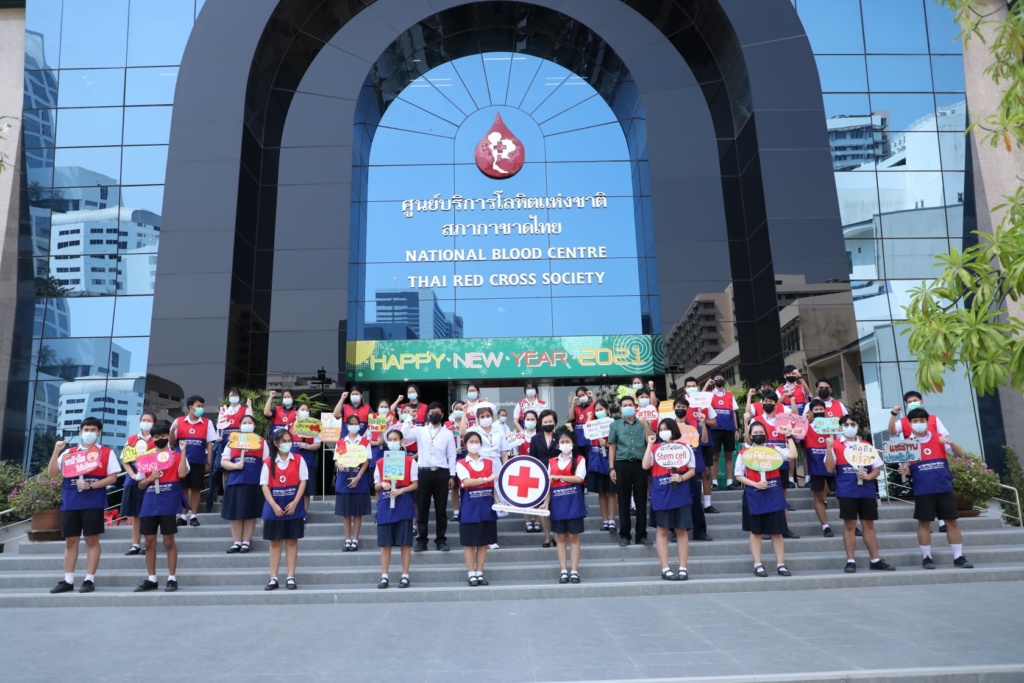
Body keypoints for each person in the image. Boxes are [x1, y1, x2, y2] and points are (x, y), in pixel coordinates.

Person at [47, 417, 122, 594]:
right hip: (71, 501)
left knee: (91, 539)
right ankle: (68, 580)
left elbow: (113, 477)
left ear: (99, 432)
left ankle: (89, 579)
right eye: (86, 429)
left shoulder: (106, 452)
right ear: (80, 431)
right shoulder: (70, 452)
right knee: (70, 540)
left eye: (93, 430)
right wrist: (56, 451)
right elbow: (52, 473)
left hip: (93, 502)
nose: (89, 433)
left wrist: (91, 485)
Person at [899, 408, 974, 570]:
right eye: (915, 421)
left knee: (951, 522)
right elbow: (905, 468)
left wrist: (951, 443)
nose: (919, 423)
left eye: (922, 420)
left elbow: (959, 454)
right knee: (924, 523)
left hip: (943, 487)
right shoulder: (906, 445)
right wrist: (904, 470)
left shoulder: (939, 438)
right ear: (910, 424)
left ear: (927, 422)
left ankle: (958, 556)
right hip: (923, 489)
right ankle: (927, 557)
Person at [825, 416, 896, 573]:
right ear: (841, 427)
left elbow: (877, 468)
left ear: (857, 426)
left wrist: (869, 476)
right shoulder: (835, 445)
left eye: (853, 424)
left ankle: (875, 560)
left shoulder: (866, 445)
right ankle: (850, 560)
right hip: (847, 491)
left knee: (869, 525)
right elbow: (829, 469)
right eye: (846, 424)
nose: (849, 427)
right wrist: (829, 448)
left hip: (866, 491)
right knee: (850, 524)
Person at [735, 421, 798, 577]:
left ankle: (781, 565)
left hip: (773, 494)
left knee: (777, 531)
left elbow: (793, 455)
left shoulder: (773, 450)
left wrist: (789, 436)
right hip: (753, 495)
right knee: (756, 531)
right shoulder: (744, 453)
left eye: (761, 433)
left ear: (766, 434)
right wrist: (755, 483)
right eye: (755, 433)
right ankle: (758, 565)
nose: (758, 435)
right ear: (750, 436)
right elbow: (738, 475)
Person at [134, 422, 189, 592]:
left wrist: (183, 451)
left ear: (168, 436)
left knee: (168, 540)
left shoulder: (176, 456)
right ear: (152, 438)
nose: (160, 439)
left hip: (168, 501)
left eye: (163, 435)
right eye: (156, 436)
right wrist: (150, 478)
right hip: (150, 502)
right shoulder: (146, 459)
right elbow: (140, 485)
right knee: (149, 541)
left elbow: (182, 474)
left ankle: (172, 578)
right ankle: (152, 578)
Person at [643, 419, 696, 581]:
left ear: (674, 430)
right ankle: (665, 568)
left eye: (666, 428)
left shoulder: (685, 447)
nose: (663, 431)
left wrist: (681, 478)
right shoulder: (655, 448)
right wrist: (649, 444)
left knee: (681, 530)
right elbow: (645, 465)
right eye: (661, 429)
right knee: (662, 530)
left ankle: (683, 568)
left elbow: (692, 470)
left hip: (680, 492)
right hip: (661, 493)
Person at [401, 402, 457, 553]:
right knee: (422, 508)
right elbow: (404, 434)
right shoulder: (421, 431)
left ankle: (441, 540)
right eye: (431, 413)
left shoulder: (448, 433)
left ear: (442, 415)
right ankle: (422, 541)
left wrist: (452, 475)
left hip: (441, 472)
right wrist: (409, 418)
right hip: (423, 473)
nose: (434, 415)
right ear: (427, 415)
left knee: (441, 509)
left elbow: (452, 455)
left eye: (437, 412)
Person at [261, 430, 308, 590]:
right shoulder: (268, 462)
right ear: (276, 443)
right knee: (274, 542)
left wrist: (295, 502)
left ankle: (290, 577)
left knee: (291, 541)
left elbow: (303, 481)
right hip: (274, 507)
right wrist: (274, 505)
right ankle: (273, 578)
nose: (287, 444)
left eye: (289, 440)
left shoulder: (299, 459)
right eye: (283, 441)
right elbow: (264, 485)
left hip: (293, 507)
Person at [375, 428, 419, 589]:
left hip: (404, 502)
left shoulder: (410, 461)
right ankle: (384, 576)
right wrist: (382, 484)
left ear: (401, 442)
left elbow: (415, 484)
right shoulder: (380, 462)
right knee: (385, 543)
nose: (393, 442)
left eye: (396, 439)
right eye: (390, 440)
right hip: (386, 504)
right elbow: (376, 485)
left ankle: (405, 575)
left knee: (405, 543)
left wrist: (402, 490)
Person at [746, 391, 799, 521]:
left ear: (776, 405)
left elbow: (794, 433)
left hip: (781, 461)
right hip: (762, 463)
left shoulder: (784, 419)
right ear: (761, 404)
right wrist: (745, 423)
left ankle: (784, 526)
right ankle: (767, 526)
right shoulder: (756, 420)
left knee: (782, 495)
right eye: (765, 401)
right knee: (764, 493)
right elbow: (748, 441)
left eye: (770, 402)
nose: (768, 404)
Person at [220, 414, 269, 554]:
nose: (247, 425)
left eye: (250, 422)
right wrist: (234, 466)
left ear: (254, 425)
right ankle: (236, 542)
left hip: (253, 481)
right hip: (235, 481)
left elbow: (267, 462)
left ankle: (246, 542)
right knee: (235, 512)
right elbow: (224, 461)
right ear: (240, 425)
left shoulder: (261, 442)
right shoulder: (232, 441)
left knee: (250, 512)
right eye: (244, 423)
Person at [462, 403, 509, 549]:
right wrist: (464, 414)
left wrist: (505, 470)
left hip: (497, 465)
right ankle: (483, 537)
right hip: (481, 465)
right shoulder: (474, 430)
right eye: (482, 416)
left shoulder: (499, 431)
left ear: (492, 417)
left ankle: (491, 537)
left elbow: (504, 453)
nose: (485, 418)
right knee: (485, 497)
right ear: (477, 418)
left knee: (497, 500)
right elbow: (463, 433)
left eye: (488, 416)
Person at [608, 396, 652, 547]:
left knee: (641, 500)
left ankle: (641, 535)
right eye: (624, 405)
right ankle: (625, 535)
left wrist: (645, 424)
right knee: (623, 501)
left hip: (640, 464)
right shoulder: (615, 425)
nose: (627, 407)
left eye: (630, 405)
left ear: (635, 407)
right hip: (621, 464)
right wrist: (611, 468)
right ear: (620, 408)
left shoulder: (643, 422)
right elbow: (612, 446)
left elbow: (651, 439)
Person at [457, 431, 499, 586]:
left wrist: (497, 500)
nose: (474, 444)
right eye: (471, 442)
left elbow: (492, 486)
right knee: (469, 542)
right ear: (465, 444)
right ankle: (471, 573)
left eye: (477, 442)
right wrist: (485, 479)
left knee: (483, 542)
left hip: (486, 506)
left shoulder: (488, 462)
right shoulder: (461, 463)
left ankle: (480, 572)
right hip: (470, 506)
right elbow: (466, 482)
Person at [547, 429, 587, 584]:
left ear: (573, 443)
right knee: (560, 537)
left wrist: (559, 477)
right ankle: (563, 570)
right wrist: (545, 503)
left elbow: (579, 478)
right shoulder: (551, 462)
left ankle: (574, 570)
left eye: (567, 441)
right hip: (557, 503)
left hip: (574, 503)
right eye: (562, 442)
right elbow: (548, 484)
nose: (565, 444)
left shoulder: (580, 459)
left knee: (574, 536)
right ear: (557, 444)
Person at [170, 395, 217, 527]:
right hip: (182, 462)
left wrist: (208, 462)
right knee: (183, 488)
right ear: (190, 407)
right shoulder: (179, 421)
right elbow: (172, 442)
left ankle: (194, 516)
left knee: (196, 489)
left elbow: (209, 444)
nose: (201, 408)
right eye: (198, 406)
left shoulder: (207, 423)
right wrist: (172, 430)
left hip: (198, 461)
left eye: (202, 406)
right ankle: (182, 516)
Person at [674, 395, 711, 541]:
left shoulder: (694, 424)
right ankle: (676, 531)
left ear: (688, 409)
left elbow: (705, 440)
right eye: (678, 407)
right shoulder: (669, 426)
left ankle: (700, 531)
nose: (681, 409)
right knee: (677, 500)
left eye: (683, 407)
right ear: (673, 408)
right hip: (675, 467)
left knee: (696, 500)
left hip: (693, 467)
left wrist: (703, 424)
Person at [682, 377, 719, 515]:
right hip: (688, 443)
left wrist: (704, 421)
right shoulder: (683, 405)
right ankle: (691, 503)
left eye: (694, 385)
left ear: (697, 387)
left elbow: (714, 422)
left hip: (705, 442)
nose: (691, 388)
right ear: (685, 389)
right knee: (690, 472)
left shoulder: (706, 404)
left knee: (706, 473)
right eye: (689, 386)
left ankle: (708, 504)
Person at [334, 414, 371, 552]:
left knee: (357, 512)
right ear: (347, 425)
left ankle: (355, 539)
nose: (353, 425)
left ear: (359, 425)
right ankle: (347, 540)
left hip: (359, 479)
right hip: (344, 479)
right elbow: (337, 459)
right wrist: (339, 465)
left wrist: (358, 478)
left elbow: (366, 461)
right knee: (346, 513)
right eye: (351, 423)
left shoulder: (364, 442)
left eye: (356, 423)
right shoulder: (341, 442)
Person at [120, 413, 155, 556]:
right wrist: (133, 475)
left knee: (149, 514)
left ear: (154, 423)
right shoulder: (132, 439)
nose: (146, 422)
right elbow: (125, 460)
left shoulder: (157, 439)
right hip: (133, 480)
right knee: (135, 514)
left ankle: (148, 544)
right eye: (144, 420)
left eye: (149, 420)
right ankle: (135, 544)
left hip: (152, 479)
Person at [213, 388, 252, 510]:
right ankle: (226, 494)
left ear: (239, 397)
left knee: (238, 468)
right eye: (231, 395)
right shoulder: (224, 410)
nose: (233, 397)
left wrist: (250, 406)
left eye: (235, 395)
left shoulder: (244, 409)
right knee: (225, 469)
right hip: (225, 441)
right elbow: (219, 426)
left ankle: (237, 494)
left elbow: (251, 420)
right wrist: (217, 437)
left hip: (240, 442)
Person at [802, 399, 834, 537]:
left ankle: (851, 524)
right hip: (816, 466)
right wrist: (803, 422)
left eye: (821, 409)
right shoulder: (806, 427)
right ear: (811, 412)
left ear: (825, 410)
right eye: (816, 410)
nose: (819, 412)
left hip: (834, 465)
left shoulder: (832, 425)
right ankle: (825, 526)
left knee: (843, 496)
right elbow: (796, 437)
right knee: (818, 497)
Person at [529, 409, 562, 547]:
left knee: (557, 507)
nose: (548, 424)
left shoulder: (560, 437)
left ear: (555, 422)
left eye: (550, 421)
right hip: (541, 477)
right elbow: (532, 459)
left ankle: (556, 535)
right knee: (543, 507)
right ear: (541, 423)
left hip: (558, 476)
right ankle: (547, 537)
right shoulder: (535, 439)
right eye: (545, 422)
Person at [585, 399, 617, 532]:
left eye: (601, 409)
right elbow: (586, 435)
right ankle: (605, 520)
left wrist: (606, 444)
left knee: (612, 492)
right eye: (597, 410)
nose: (599, 412)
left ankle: (612, 520)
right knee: (601, 492)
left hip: (610, 462)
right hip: (597, 463)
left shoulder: (613, 424)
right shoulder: (592, 425)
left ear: (607, 409)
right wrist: (589, 419)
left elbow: (618, 444)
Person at [704, 374, 740, 490]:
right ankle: (714, 483)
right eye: (717, 379)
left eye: (721, 379)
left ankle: (730, 482)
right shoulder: (709, 394)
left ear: (724, 381)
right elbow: (699, 398)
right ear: (713, 381)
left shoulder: (730, 395)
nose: (719, 380)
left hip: (729, 429)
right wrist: (706, 384)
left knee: (729, 456)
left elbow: (733, 413)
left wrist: (736, 429)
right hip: (715, 429)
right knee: (715, 456)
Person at [290, 402, 322, 514]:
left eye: (307, 410)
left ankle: (304, 513)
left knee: (306, 490)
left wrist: (308, 446)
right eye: (302, 409)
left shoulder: (314, 427)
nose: (305, 412)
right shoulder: (289, 426)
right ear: (296, 412)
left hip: (307, 460)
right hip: (292, 461)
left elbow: (317, 444)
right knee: (292, 487)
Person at [518, 409, 543, 533]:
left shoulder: (540, 436)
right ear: (524, 420)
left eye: (532, 419)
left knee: (539, 496)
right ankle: (527, 522)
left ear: (536, 421)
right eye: (528, 419)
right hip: (523, 470)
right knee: (525, 497)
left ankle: (538, 521)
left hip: (538, 470)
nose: (530, 421)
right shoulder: (518, 436)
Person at [447, 400, 465, 521]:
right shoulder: (447, 425)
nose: (459, 411)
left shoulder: (469, 423)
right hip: (453, 457)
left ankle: (465, 509)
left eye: (461, 409)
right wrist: (452, 450)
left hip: (466, 455)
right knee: (454, 486)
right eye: (456, 409)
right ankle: (456, 511)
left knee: (465, 483)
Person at [570, 386, 596, 456]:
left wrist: (592, 396)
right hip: (579, 441)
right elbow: (571, 418)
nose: (581, 397)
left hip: (590, 441)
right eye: (579, 396)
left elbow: (598, 407)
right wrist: (573, 403)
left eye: (583, 395)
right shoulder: (577, 408)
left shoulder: (592, 406)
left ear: (587, 394)